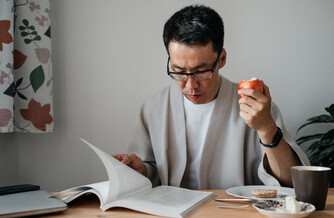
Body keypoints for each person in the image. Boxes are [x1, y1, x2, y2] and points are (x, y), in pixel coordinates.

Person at [113, 5, 309, 190]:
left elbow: (294, 184)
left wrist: (267, 129)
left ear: (221, 59)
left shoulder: (256, 107)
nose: (190, 85)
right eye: (179, 71)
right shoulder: (154, 108)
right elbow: (152, 174)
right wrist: (143, 170)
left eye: (201, 71)